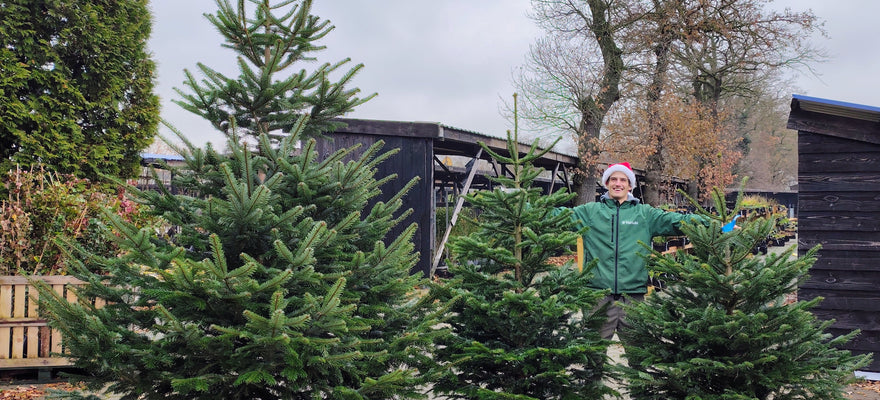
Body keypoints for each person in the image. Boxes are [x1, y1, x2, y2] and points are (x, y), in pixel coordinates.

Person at [565, 162, 707, 340]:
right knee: (594, 356)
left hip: (633, 297)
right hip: (597, 297)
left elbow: (678, 221)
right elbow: (559, 216)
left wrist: (717, 224)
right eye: (613, 179)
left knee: (638, 355)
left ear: (630, 185)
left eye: (623, 180)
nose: (618, 183)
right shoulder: (590, 212)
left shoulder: (645, 214)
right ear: (607, 183)